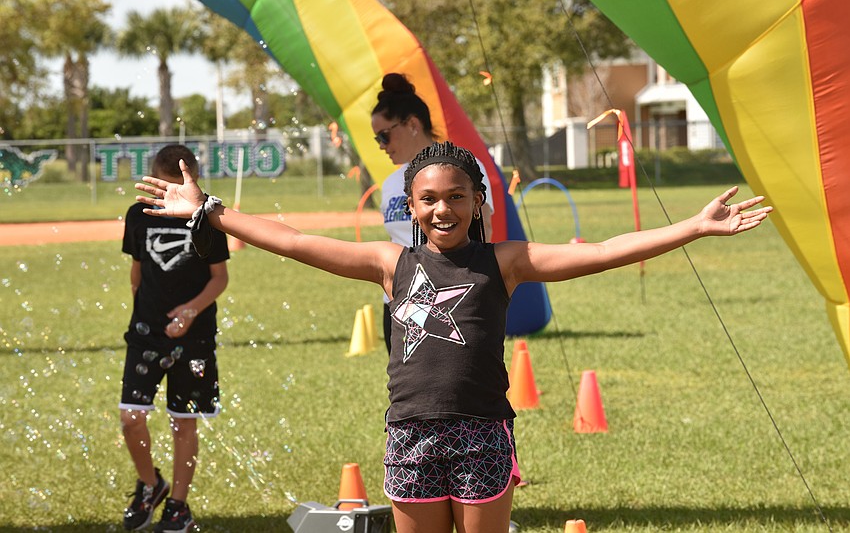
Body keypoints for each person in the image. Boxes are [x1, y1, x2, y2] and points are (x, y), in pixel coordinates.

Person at [135, 141, 771, 533]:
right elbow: (298, 243)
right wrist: (210, 209)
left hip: (482, 433)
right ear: (410, 206)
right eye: (429, 199)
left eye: (457, 197)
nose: (443, 210)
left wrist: (690, 227)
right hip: (410, 434)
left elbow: (605, 249)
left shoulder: (506, 261)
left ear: (477, 201)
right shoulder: (390, 265)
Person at [120, 144, 230, 532]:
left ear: (193, 179)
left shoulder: (207, 216)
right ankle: (151, 485)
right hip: (146, 335)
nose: (171, 195)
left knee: (184, 422)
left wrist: (189, 311)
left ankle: (178, 505)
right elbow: (137, 273)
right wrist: (143, 316)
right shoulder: (138, 215)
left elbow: (220, 278)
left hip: (195, 336)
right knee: (131, 417)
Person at [372, 73, 493, 353]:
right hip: (399, 303)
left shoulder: (462, 167)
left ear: (412, 124)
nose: (381, 145)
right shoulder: (392, 183)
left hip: (452, 299)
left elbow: (484, 230)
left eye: (384, 135)